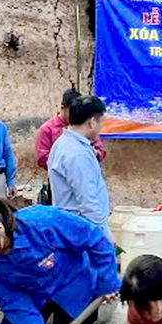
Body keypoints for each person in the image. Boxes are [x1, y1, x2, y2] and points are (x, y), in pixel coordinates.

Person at [48, 95, 111, 234]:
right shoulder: (77, 153)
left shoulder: (64, 143)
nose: (101, 127)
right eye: (101, 122)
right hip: (83, 230)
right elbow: (87, 201)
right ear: (93, 122)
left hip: (71, 226)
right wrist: (104, 232)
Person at [36, 88, 106, 169]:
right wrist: (67, 162)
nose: (75, 114)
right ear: (63, 108)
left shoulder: (85, 126)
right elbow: (42, 158)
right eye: (71, 111)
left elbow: (100, 150)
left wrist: (91, 154)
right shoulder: (47, 129)